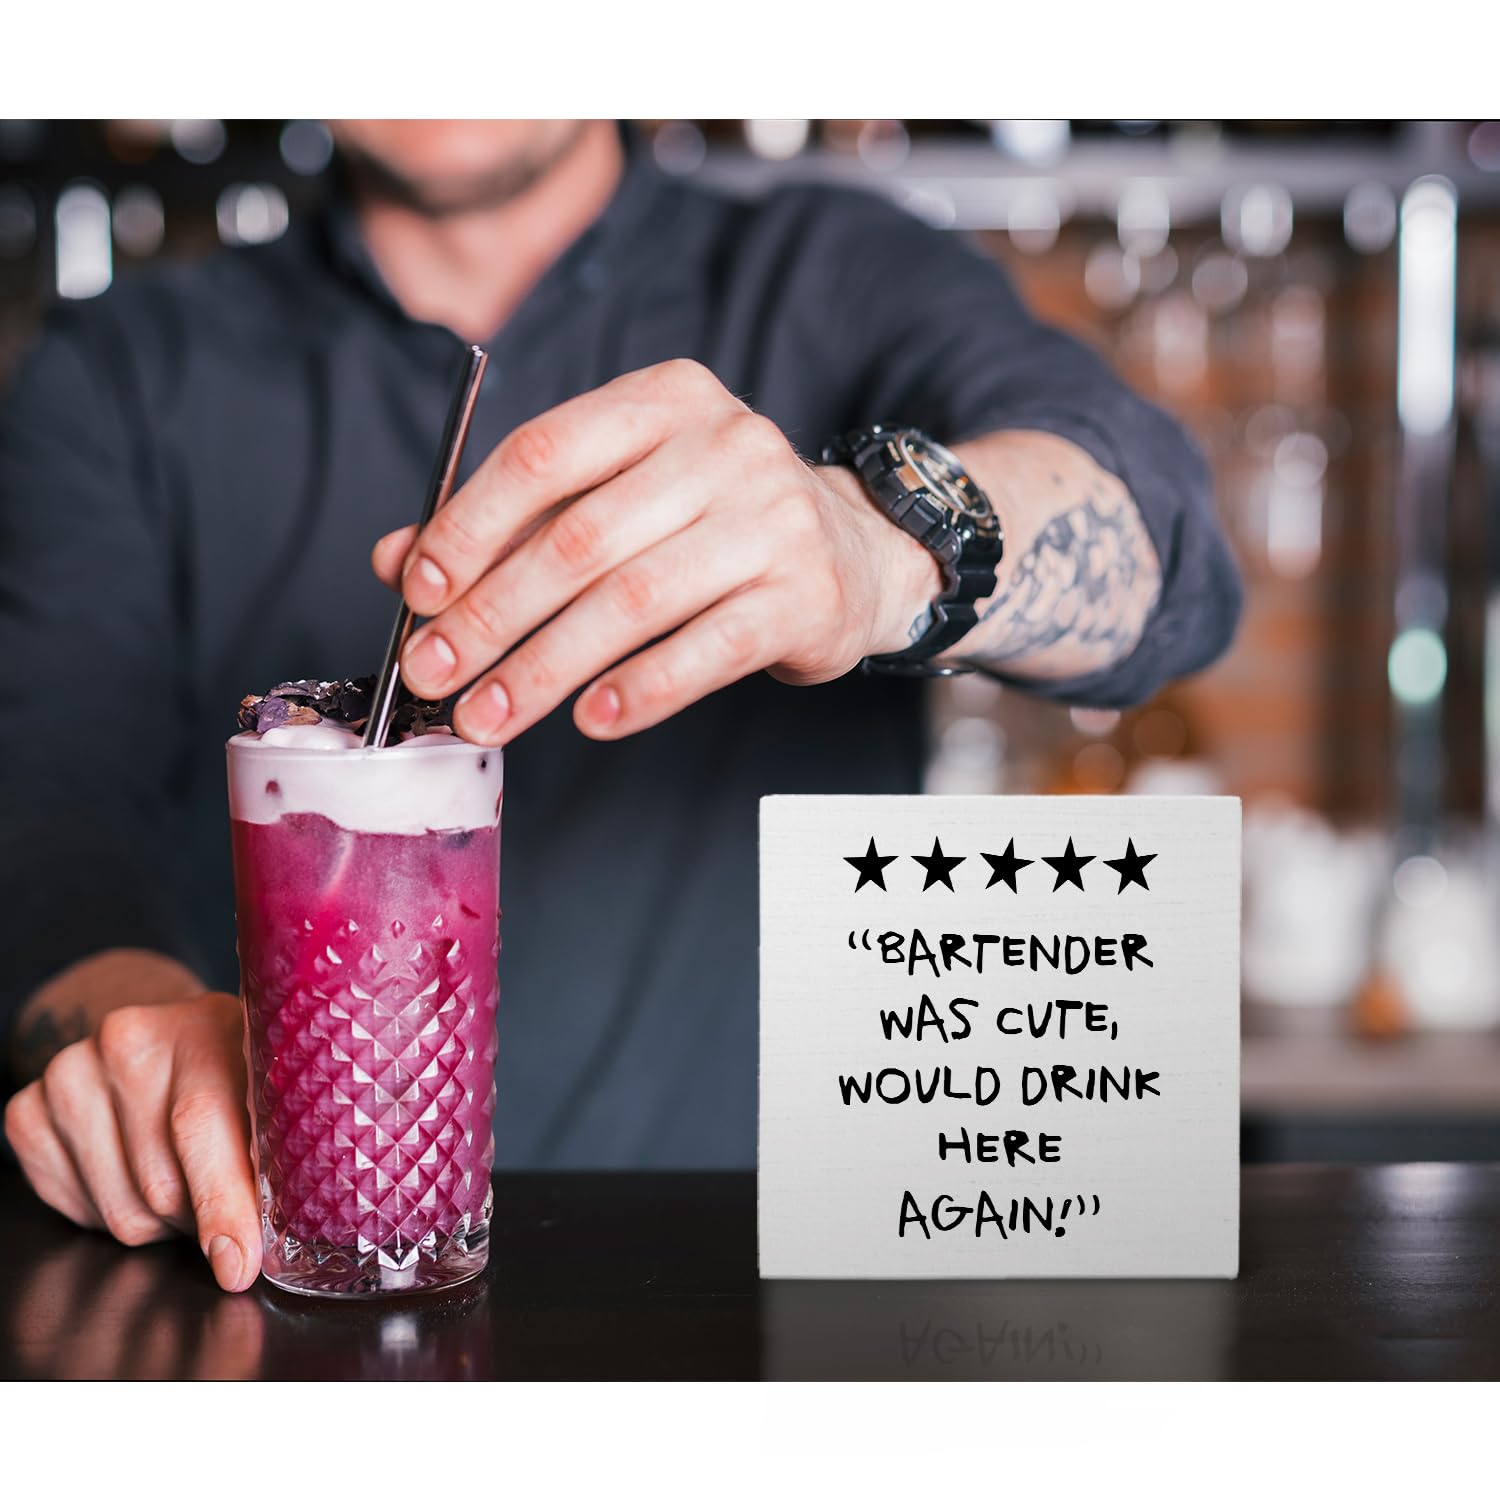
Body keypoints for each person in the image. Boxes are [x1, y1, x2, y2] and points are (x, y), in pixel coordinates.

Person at [0, 120, 1240, 1292]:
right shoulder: (124, 368)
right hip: (276, 1287)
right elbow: (43, 810)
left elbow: (1170, 555)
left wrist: (877, 546)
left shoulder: (836, 271)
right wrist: (131, 1036)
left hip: (775, 1299)